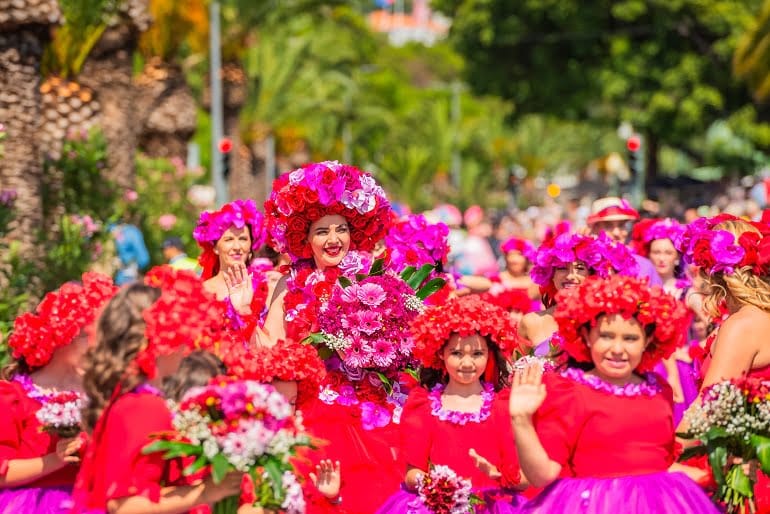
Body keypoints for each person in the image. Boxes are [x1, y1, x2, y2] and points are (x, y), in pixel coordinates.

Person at [509, 275, 718, 513]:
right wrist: (521, 420)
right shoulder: (568, 391)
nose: (617, 349)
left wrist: (716, 471)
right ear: (587, 336)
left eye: (630, 338)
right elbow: (542, 476)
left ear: (647, 339)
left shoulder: (658, 389)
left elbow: (660, 464)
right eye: (606, 336)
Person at [260, 161, 398, 513]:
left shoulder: (376, 280)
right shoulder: (285, 282)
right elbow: (273, 350)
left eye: (340, 230)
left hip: (366, 410)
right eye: (322, 232)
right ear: (306, 239)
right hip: (309, 411)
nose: (333, 240)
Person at [70, 267, 242, 514]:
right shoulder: (144, 406)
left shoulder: (129, 397)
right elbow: (123, 505)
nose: (186, 339)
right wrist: (206, 492)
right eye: (177, 327)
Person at [377, 295, 526, 513]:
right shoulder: (424, 406)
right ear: (440, 353)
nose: (467, 363)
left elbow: (523, 478)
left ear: (489, 355)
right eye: (456, 353)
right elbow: (412, 473)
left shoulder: (503, 407)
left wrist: (498, 475)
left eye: (477, 353)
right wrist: (441, 488)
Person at [0, 273, 117, 514]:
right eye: (92, 337)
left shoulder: (100, 391)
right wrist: (55, 460)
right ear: (63, 337)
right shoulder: (13, 395)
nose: (100, 348)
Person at [677, 215, 770, 508]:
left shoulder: (743, 324)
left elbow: (709, 407)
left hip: (744, 472)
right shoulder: (755, 316)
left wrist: (662, 455)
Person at [518, 232, 638, 356]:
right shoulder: (531, 322)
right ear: (551, 275)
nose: (570, 276)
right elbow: (515, 371)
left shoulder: (604, 321)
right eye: (562, 268)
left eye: (580, 268)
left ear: (592, 275)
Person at [193, 199, 269, 341]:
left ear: (251, 246)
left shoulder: (266, 287)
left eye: (243, 239)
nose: (237, 247)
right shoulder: (201, 290)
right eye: (228, 239)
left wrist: (245, 311)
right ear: (215, 248)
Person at [586, 196, 663, 286]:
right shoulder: (584, 267)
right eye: (608, 226)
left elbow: (653, 299)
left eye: (622, 225)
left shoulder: (643, 266)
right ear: (594, 229)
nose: (617, 233)